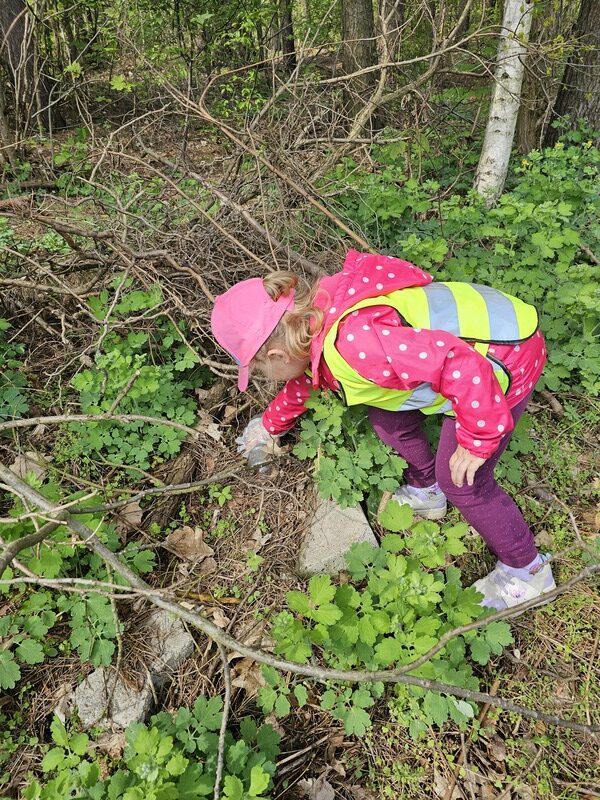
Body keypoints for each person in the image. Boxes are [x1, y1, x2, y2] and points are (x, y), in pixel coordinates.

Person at [211, 250, 555, 611]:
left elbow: (460, 365)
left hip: (504, 356)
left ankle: (528, 572)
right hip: (475, 353)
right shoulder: (317, 317)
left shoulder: (356, 344)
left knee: (464, 481)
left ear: (278, 356)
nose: (266, 378)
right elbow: (306, 381)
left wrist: (477, 440)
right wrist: (269, 427)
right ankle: (427, 490)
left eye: (259, 371)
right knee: (387, 417)